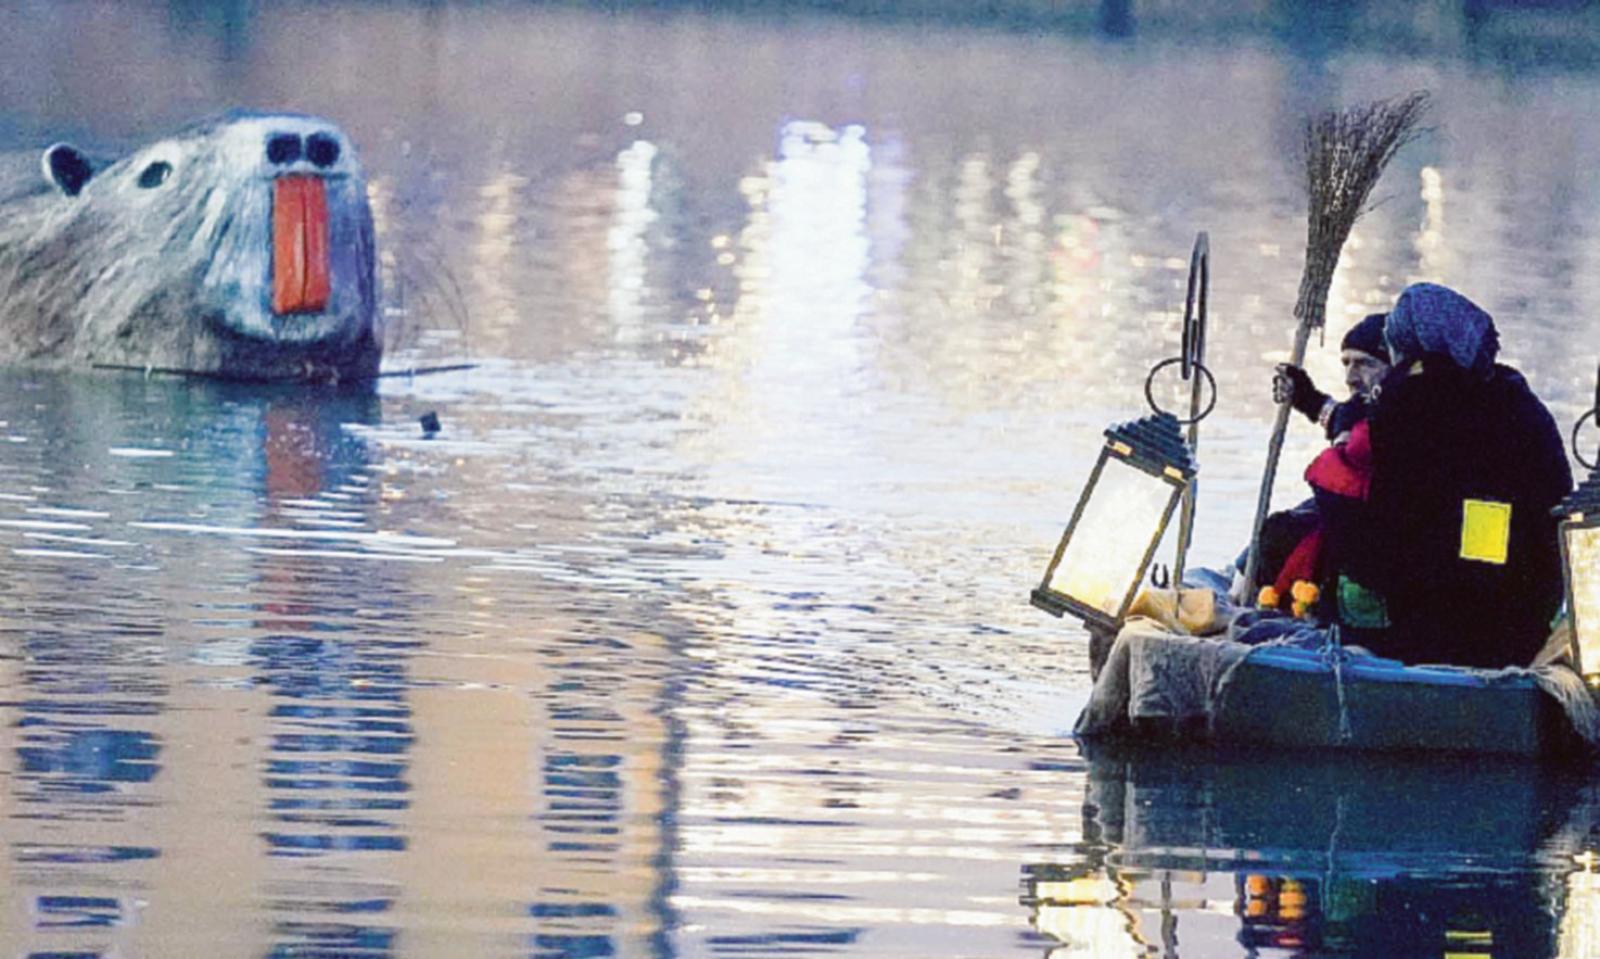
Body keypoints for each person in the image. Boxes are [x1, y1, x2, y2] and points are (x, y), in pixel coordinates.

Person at [1338, 283, 1571, 669]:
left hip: (1448, 621)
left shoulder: (1410, 403)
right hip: (1529, 611)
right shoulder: (1513, 395)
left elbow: (1394, 521)